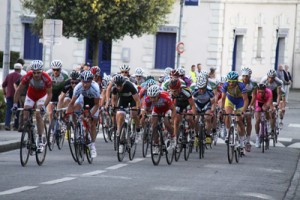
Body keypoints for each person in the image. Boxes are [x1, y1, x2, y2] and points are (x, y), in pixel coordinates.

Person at [13, 60, 52, 153]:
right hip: (31, 94)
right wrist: (15, 104)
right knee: (26, 116)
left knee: (38, 114)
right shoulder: (28, 76)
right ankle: (31, 137)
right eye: (34, 73)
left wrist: (44, 106)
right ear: (32, 71)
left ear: (42, 71)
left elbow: (50, 94)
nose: (36, 75)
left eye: (38, 72)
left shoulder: (46, 78)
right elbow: (18, 90)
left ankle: (40, 138)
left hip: (42, 95)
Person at [66, 70, 100, 158]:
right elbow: (72, 102)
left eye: (87, 82)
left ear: (91, 81)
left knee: (92, 123)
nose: (85, 84)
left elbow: (97, 104)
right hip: (84, 100)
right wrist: (67, 113)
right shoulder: (78, 87)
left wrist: (90, 115)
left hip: (93, 103)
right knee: (76, 108)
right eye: (83, 82)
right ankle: (79, 128)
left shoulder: (95, 88)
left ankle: (92, 145)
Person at [141, 85, 176, 154]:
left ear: (158, 95)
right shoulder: (148, 99)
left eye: (154, 97)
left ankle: (173, 137)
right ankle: (156, 144)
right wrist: (145, 116)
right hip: (157, 110)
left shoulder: (165, 97)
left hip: (167, 110)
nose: (152, 99)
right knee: (154, 126)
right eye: (151, 98)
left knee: (167, 123)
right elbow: (145, 109)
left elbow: (173, 109)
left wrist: (172, 118)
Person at [110, 74, 141, 152]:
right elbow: (114, 99)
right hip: (123, 100)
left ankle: (137, 130)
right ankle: (121, 140)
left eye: (120, 85)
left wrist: (138, 108)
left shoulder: (129, 86)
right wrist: (114, 107)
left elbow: (137, 100)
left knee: (134, 114)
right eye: (118, 86)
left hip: (132, 99)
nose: (119, 87)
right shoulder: (114, 88)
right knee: (120, 116)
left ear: (123, 84)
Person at [221, 71, 248, 155]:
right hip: (230, 99)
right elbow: (223, 98)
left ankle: (242, 142)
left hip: (240, 101)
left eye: (233, 81)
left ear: (236, 80)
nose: (231, 83)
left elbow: (246, 100)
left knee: (239, 120)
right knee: (227, 114)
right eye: (229, 81)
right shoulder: (225, 85)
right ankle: (228, 132)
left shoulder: (241, 85)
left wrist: (243, 110)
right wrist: (222, 108)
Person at [240, 67, 257, 152]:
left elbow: (254, 96)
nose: (245, 78)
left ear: (249, 76)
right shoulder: (239, 82)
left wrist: (250, 106)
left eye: (247, 76)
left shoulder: (253, 83)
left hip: (250, 99)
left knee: (249, 119)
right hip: (241, 98)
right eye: (243, 76)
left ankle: (247, 140)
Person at [2, 63, 22, 130]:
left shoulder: (9, 75)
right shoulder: (20, 76)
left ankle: (7, 125)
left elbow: (3, 85)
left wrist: (4, 93)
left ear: (14, 68)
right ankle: (15, 126)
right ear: (20, 69)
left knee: (8, 110)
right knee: (17, 110)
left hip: (9, 95)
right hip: (17, 96)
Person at [254, 84, 273, 148]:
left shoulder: (269, 92)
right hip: (258, 102)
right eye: (259, 92)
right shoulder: (256, 92)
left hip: (266, 101)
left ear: (265, 90)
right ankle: (257, 137)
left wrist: (267, 107)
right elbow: (254, 100)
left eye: (262, 92)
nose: (261, 93)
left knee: (266, 109)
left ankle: (267, 124)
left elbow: (269, 101)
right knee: (257, 120)